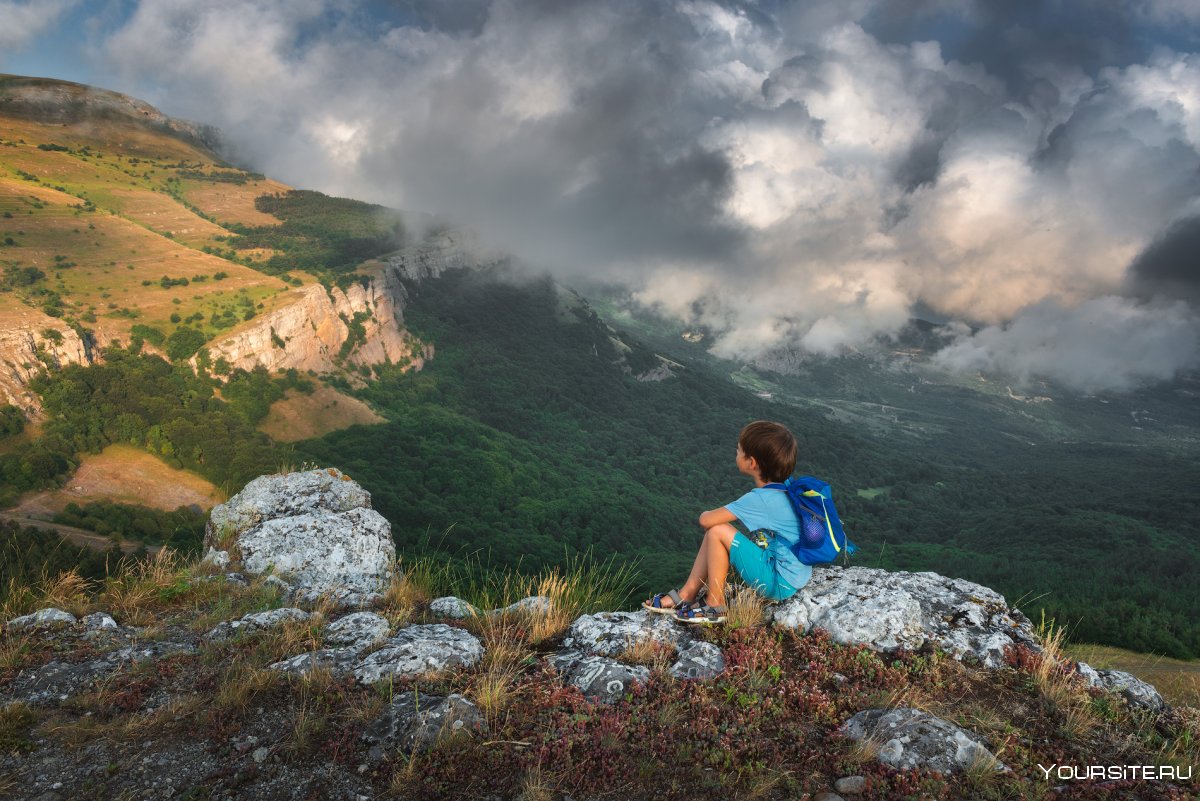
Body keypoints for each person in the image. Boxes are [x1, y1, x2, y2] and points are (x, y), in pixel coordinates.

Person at [642, 420, 812, 624]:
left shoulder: (761, 500)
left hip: (778, 581)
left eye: (739, 450)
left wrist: (706, 512)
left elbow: (706, 520)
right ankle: (687, 593)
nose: (736, 452)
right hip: (792, 575)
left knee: (716, 531)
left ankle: (715, 604)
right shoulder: (785, 487)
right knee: (718, 531)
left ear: (752, 463)